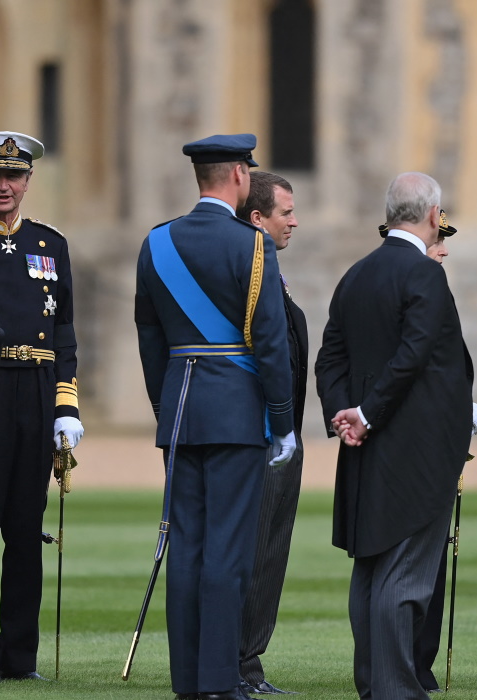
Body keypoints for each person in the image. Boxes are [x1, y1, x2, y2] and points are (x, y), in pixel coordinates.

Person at [134, 134, 296, 700]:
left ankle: (188, 681)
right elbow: (270, 342)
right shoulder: (252, 246)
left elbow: (150, 337)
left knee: (188, 547)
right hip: (235, 411)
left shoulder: (156, 243)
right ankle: (220, 680)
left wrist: (164, 405)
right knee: (228, 550)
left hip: (180, 409)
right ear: (236, 175)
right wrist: (282, 417)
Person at [316, 172, 474, 700]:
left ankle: (375, 684)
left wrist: (344, 413)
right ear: (433, 217)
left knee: (372, 569)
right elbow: (414, 355)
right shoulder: (424, 276)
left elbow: (330, 356)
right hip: (415, 445)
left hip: (368, 443)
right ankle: (395, 690)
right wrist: (364, 413)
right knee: (404, 575)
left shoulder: (357, 273)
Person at [0, 130, 82, 683]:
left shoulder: (50, 243)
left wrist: (66, 404)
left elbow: (66, 332)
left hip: (36, 389)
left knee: (28, 534)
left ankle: (21, 658)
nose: (4, 185)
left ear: (28, 181)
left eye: (14, 176)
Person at [236, 170, 307, 696]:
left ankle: (244, 659)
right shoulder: (253, 270)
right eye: (286, 212)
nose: (294, 222)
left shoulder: (270, 272)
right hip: (261, 434)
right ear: (257, 218)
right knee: (257, 555)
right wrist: (282, 428)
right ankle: (242, 663)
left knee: (268, 551)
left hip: (274, 432)